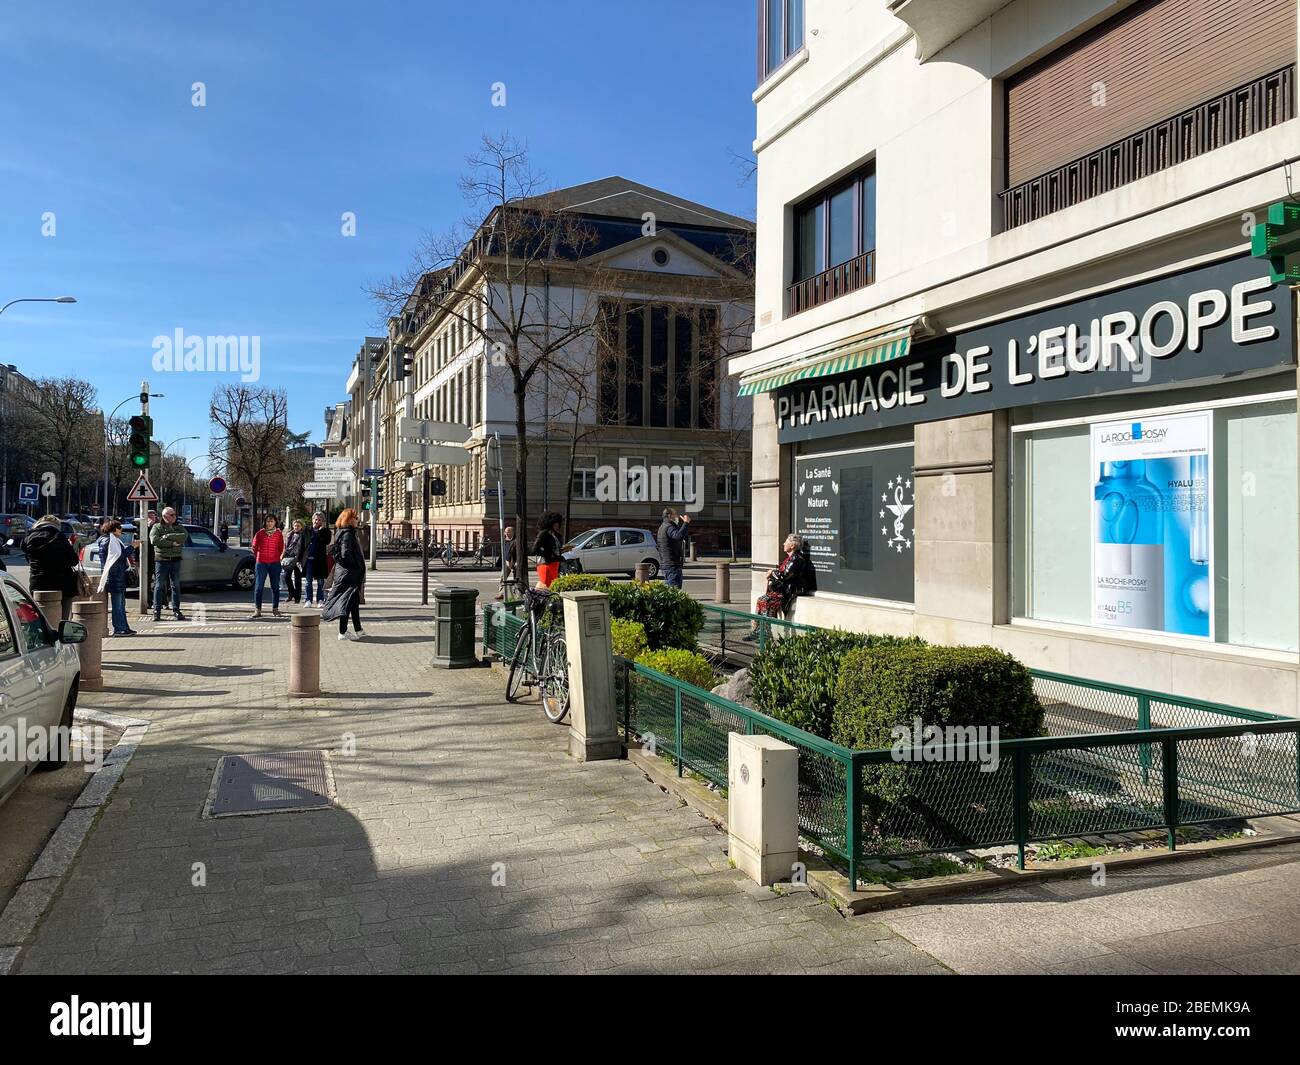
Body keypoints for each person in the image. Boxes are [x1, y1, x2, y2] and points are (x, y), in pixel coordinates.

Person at [24, 514, 81, 622]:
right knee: (62, 618)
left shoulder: (29, 538)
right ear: (56, 525)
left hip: (38, 582)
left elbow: (29, 560)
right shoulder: (59, 536)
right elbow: (74, 561)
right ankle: (61, 630)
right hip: (62, 583)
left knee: (39, 616)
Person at [322, 508, 365, 640]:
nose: (358, 520)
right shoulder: (347, 534)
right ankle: (343, 631)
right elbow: (345, 554)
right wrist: (356, 566)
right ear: (349, 519)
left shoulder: (344, 532)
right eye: (356, 518)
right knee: (346, 602)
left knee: (354, 601)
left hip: (346, 573)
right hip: (348, 574)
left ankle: (358, 629)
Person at [756, 533, 812, 619]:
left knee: (766, 601)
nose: (784, 544)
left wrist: (772, 572)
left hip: (789, 590)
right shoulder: (790, 558)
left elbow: (785, 575)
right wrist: (772, 575)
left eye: (786, 542)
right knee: (761, 600)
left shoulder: (796, 559)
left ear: (792, 545)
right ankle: (759, 629)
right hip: (783, 589)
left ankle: (766, 629)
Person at [95, 520, 136, 636]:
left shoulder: (110, 540)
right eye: (119, 528)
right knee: (117, 604)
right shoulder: (109, 540)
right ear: (114, 529)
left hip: (116, 575)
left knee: (121, 603)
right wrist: (132, 547)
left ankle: (124, 627)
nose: (121, 530)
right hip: (114, 576)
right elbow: (119, 556)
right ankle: (119, 628)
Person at [149, 506, 187, 621]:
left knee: (175, 586)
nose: (174, 517)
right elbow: (154, 540)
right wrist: (171, 543)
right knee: (159, 585)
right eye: (172, 515)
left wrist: (168, 536)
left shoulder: (179, 527)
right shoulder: (157, 527)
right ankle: (157, 610)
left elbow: (184, 536)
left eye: (174, 514)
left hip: (175, 560)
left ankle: (176, 610)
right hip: (162, 560)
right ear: (165, 516)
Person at [249, 514, 286, 619]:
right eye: (268, 521)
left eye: (272, 521)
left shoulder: (278, 534)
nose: (269, 523)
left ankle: (275, 609)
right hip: (261, 563)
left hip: (274, 562)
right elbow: (254, 547)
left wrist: (278, 557)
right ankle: (258, 609)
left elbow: (281, 547)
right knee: (259, 587)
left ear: (275, 522)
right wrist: (258, 557)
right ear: (265, 522)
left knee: (275, 587)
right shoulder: (260, 533)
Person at [656, 507, 692, 589]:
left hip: (667, 563)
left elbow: (676, 535)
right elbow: (678, 536)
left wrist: (683, 525)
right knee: (674, 591)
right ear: (669, 516)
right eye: (675, 514)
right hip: (671, 565)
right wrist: (686, 523)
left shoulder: (663, 526)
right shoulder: (668, 527)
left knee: (671, 591)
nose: (677, 516)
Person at [303, 512, 331, 607]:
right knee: (308, 581)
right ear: (312, 520)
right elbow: (302, 544)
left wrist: (320, 531)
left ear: (322, 521)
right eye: (316, 519)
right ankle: (308, 600)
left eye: (319, 520)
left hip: (320, 560)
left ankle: (320, 600)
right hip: (308, 559)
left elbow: (326, 541)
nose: (317, 521)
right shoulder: (307, 530)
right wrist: (299, 560)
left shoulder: (325, 531)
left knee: (320, 582)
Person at [531, 512, 564, 588]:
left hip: (555, 564)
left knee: (551, 587)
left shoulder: (556, 535)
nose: (557, 525)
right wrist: (548, 554)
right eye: (555, 523)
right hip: (546, 564)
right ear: (550, 523)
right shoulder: (543, 533)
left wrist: (562, 550)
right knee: (544, 586)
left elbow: (555, 549)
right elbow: (534, 549)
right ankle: (533, 598)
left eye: (558, 523)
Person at [282, 519, 305, 604]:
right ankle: (291, 594)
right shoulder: (289, 535)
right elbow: (286, 546)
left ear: (301, 527)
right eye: (295, 525)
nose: (296, 527)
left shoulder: (303, 536)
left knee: (297, 579)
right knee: (286, 577)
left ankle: (297, 598)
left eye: (298, 526)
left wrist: (300, 559)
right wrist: (283, 555)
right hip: (289, 558)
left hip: (298, 558)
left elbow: (303, 549)